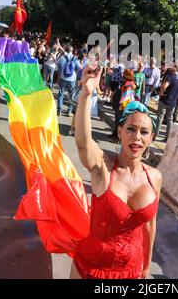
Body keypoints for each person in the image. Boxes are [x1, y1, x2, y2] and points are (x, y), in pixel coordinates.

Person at [71, 65, 162, 279]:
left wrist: (146, 266)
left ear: (151, 138)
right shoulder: (103, 169)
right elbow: (83, 144)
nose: (137, 137)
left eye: (144, 132)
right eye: (131, 129)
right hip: (91, 270)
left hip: (131, 271)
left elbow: (150, 224)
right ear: (120, 132)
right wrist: (86, 93)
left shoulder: (154, 177)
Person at [154, 66, 178, 142]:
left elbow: (164, 86)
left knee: (159, 118)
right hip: (173, 102)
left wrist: (160, 94)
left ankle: (155, 135)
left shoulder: (171, 77)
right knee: (170, 119)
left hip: (164, 100)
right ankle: (167, 137)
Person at [57, 45, 81, 116]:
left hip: (63, 78)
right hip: (72, 79)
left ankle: (59, 110)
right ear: (71, 50)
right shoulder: (75, 58)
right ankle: (69, 111)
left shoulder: (62, 57)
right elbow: (79, 67)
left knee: (61, 94)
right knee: (71, 95)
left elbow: (56, 63)